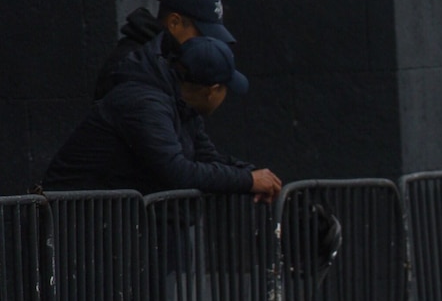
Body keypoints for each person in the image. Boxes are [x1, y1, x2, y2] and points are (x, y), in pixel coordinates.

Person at [42, 33, 281, 202]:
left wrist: (253, 177)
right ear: (212, 90)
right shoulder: (145, 103)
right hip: (74, 225)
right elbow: (177, 171)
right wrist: (247, 180)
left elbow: (206, 157)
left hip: (103, 222)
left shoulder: (180, 103)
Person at [94, 0, 235, 101]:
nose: (207, 44)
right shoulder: (131, 65)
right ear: (174, 23)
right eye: (202, 35)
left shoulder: (170, 61)